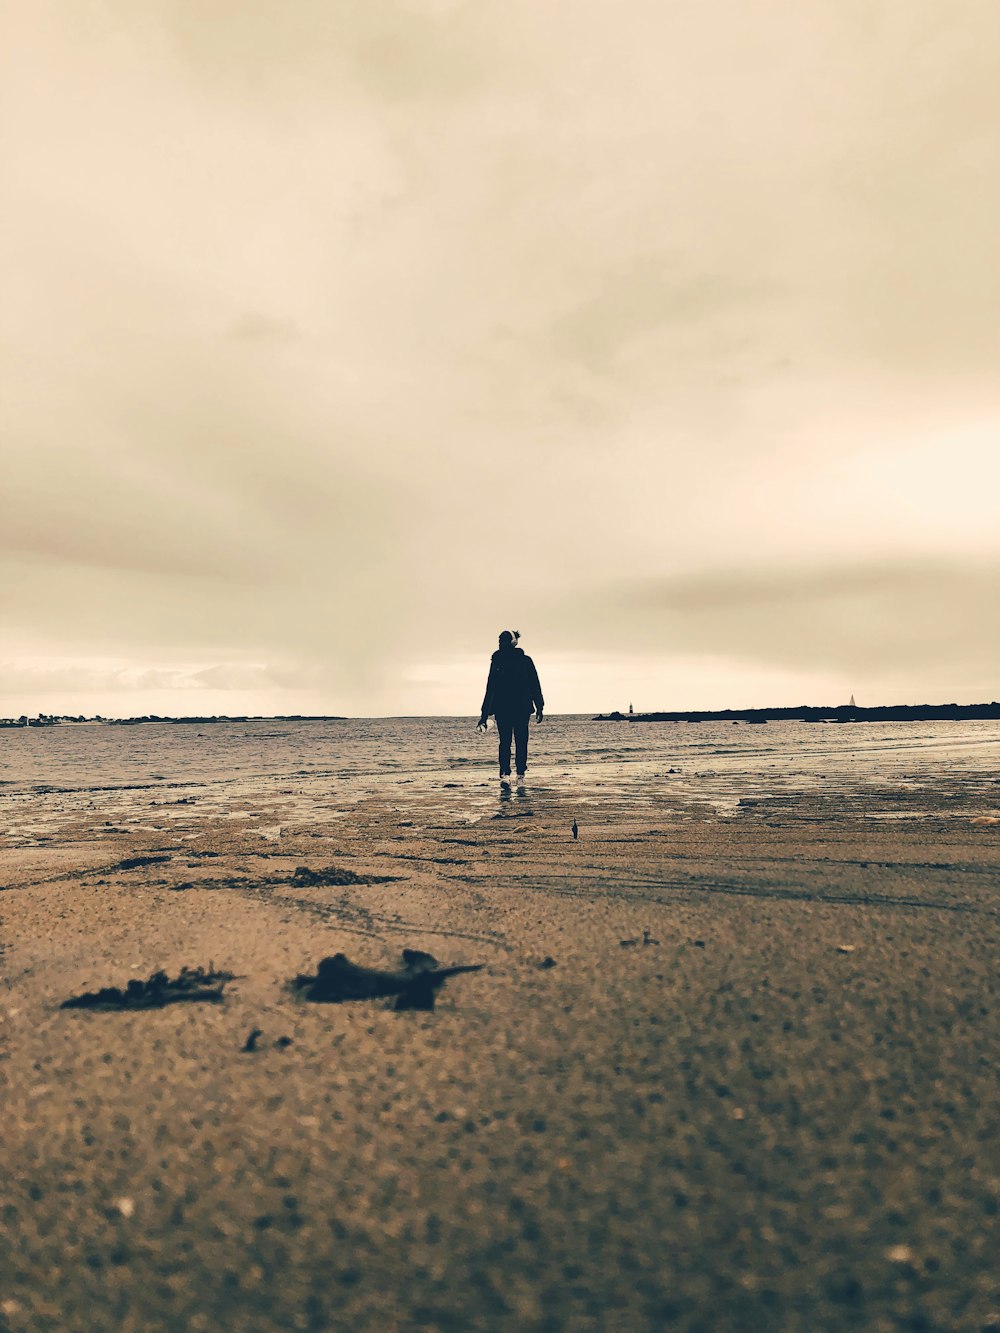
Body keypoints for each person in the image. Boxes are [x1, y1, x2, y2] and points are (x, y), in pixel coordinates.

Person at [478, 630, 544, 786]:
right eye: (500, 641)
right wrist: (484, 714)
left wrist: (539, 706)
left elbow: (534, 684)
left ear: (513, 643)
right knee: (504, 743)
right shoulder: (497, 661)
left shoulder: (525, 661)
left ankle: (520, 774)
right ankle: (505, 774)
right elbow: (490, 688)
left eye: (504, 641)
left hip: (522, 708)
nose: (501, 644)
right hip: (503, 709)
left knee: (521, 742)